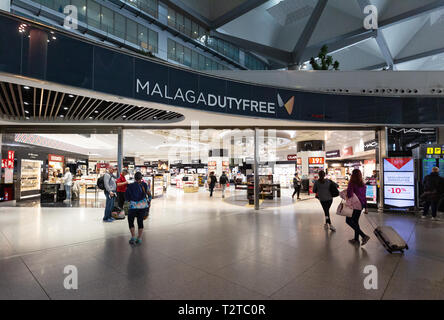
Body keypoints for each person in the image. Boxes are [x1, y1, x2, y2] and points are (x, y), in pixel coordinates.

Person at [125, 172, 151, 245]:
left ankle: (133, 237)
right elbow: (149, 194)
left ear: (134, 178)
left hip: (133, 207)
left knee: (131, 221)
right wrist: (149, 201)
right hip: (142, 207)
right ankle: (139, 238)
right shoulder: (144, 185)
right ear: (141, 178)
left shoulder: (130, 186)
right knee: (140, 222)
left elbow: (127, 197)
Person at [346, 169, 370, 246]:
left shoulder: (352, 183)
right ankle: (356, 239)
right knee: (355, 221)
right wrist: (366, 207)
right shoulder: (363, 184)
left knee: (348, 221)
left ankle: (364, 236)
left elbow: (349, 195)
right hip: (361, 205)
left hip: (354, 205)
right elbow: (364, 197)